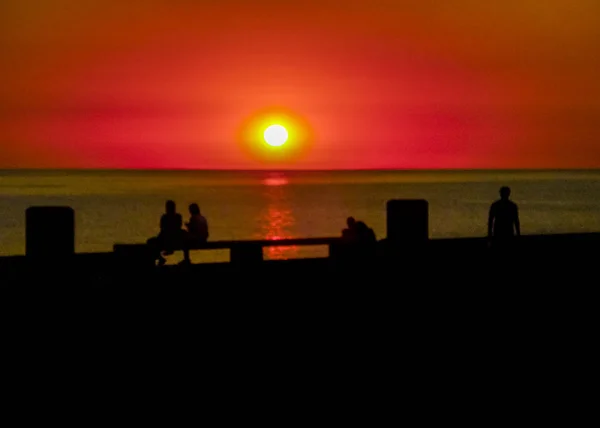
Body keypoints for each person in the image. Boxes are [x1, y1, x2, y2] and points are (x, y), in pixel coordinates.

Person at [147, 200, 184, 266]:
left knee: (151, 242)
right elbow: (179, 227)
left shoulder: (165, 217)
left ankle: (160, 258)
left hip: (166, 239)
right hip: (175, 239)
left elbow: (162, 227)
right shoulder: (178, 216)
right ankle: (161, 256)